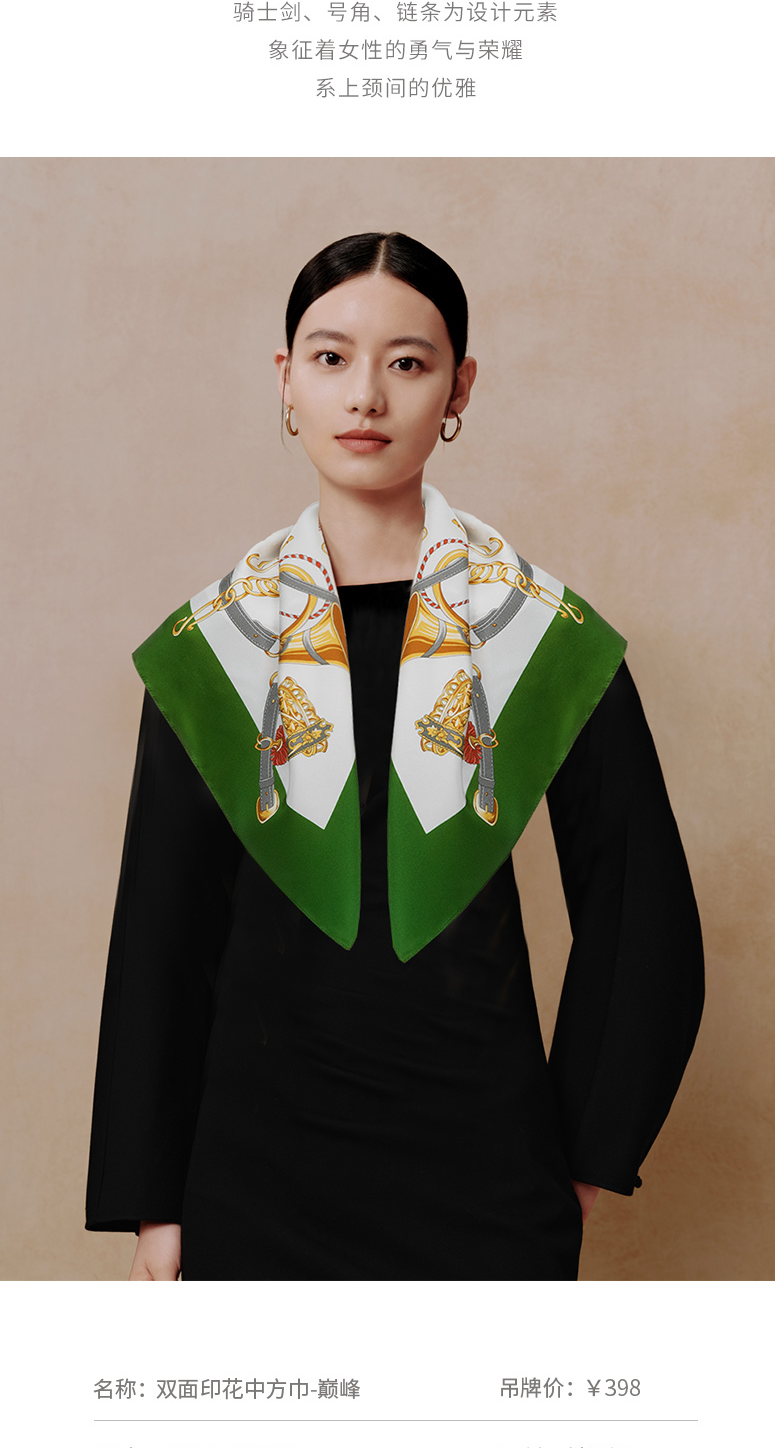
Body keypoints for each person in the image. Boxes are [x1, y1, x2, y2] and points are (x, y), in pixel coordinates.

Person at [85, 231, 704, 1281]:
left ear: (459, 387)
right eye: (330, 357)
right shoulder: (219, 644)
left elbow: (640, 913)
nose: (365, 396)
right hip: (250, 1173)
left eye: (407, 362)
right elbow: (163, 932)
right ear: (286, 379)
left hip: (486, 1168)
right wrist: (155, 1204)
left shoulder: (539, 635)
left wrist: (583, 1161)